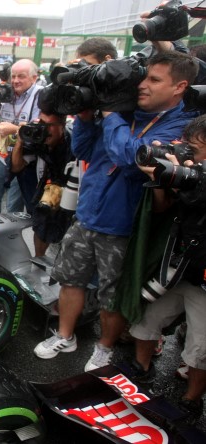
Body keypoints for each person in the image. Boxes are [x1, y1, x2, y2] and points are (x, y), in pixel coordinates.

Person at [33, 51, 198, 372]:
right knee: (71, 280)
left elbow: (131, 157)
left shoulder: (179, 126)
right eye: (144, 77)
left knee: (113, 295)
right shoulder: (127, 110)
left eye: (154, 79)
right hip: (87, 216)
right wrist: (83, 117)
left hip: (126, 227)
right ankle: (65, 336)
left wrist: (109, 115)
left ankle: (104, 348)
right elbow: (82, 150)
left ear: (179, 87)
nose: (143, 85)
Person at [127, 115, 206, 424]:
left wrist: (187, 173)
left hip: (203, 278)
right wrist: (165, 175)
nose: (188, 152)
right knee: (149, 316)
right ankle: (140, 369)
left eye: (196, 147)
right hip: (178, 265)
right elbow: (162, 207)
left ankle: (191, 400)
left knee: (201, 344)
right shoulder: (190, 175)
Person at [0, 59, 43, 215]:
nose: (15, 81)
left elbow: (39, 130)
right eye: (13, 76)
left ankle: (10, 237)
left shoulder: (40, 95)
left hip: (23, 159)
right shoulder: (5, 92)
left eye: (21, 76)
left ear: (34, 78)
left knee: (14, 203)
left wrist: (13, 129)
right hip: (1, 155)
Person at [10, 108, 74, 257]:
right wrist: (20, 141)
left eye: (50, 125)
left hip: (73, 190)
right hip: (46, 189)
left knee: (70, 234)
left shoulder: (73, 142)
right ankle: (39, 262)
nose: (45, 129)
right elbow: (16, 166)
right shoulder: (38, 140)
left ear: (62, 125)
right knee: (41, 222)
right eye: (42, 123)